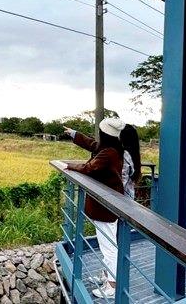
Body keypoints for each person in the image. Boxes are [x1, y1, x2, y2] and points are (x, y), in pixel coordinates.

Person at [63, 118, 125, 299]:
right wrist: (73, 133)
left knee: (108, 245)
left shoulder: (109, 153)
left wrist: (70, 166)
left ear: (105, 134)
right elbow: (92, 144)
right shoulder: (110, 148)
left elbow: (89, 167)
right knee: (108, 242)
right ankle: (107, 276)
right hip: (106, 203)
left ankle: (112, 285)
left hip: (105, 205)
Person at [120, 124, 141, 200]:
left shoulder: (124, 155)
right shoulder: (135, 155)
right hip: (130, 196)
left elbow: (122, 181)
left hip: (121, 199)